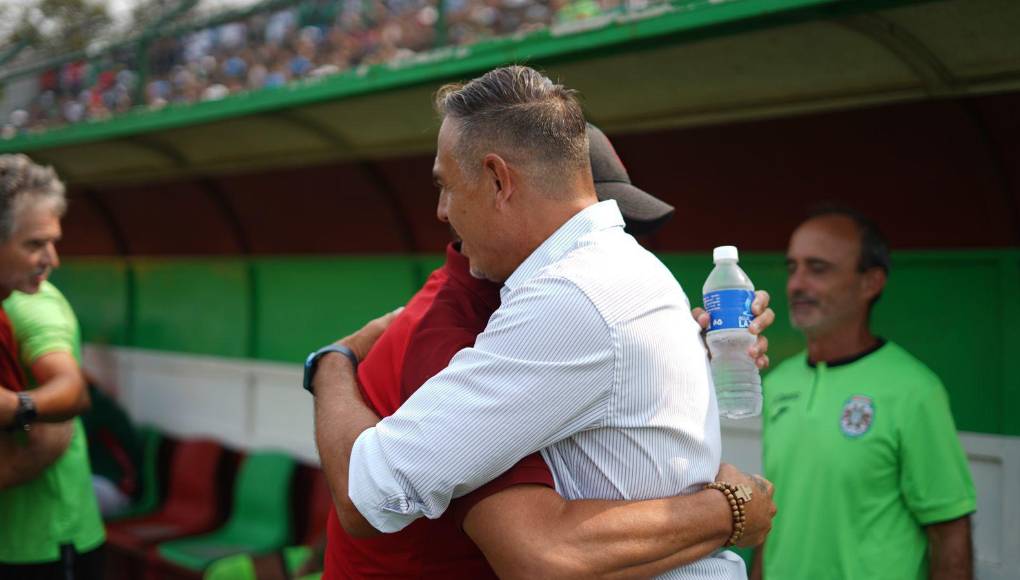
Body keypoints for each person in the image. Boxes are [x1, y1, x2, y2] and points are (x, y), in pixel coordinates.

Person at [311, 65, 776, 579]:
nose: (442, 211)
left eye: (446, 186)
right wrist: (730, 508)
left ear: (496, 179)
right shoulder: (613, 273)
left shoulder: (568, 295)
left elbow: (369, 492)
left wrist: (330, 363)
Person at [750, 208, 976, 580]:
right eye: (793, 268)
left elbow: (949, 530)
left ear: (870, 282)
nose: (797, 284)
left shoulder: (915, 390)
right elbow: (776, 515)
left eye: (818, 268)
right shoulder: (779, 383)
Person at [0, 154, 105, 580]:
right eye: (34, 244)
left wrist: (19, 406)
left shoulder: (32, 301)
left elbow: (71, 391)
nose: (52, 259)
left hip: (44, 538)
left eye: (51, 241)